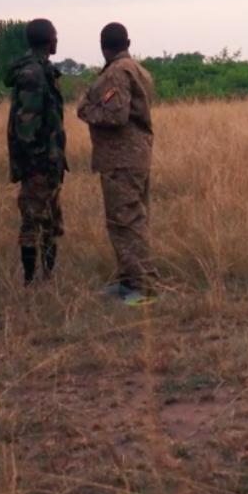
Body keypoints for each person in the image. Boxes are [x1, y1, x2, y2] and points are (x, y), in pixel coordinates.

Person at [76, 22, 157, 306]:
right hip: (134, 155)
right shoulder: (138, 69)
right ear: (128, 42)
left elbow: (115, 115)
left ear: (102, 46)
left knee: (127, 221)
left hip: (122, 157)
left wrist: (85, 109)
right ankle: (128, 281)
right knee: (126, 219)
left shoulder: (116, 73)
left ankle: (142, 287)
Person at [5, 18, 68, 284]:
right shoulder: (33, 73)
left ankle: (47, 277)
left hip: (49, 162)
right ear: (48, 40)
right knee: (33, 222)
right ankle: (30, 281)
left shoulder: (43, 69)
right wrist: (37, 163)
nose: (57, 40)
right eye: (55, 36)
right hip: (38, 164)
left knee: (51, 222)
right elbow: (27, 125)